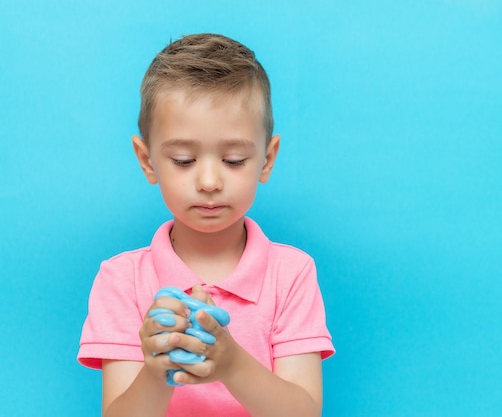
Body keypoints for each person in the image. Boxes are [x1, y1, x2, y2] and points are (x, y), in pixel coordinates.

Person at [77, 33, 334, 417]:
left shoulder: (292, 273)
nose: (210, 182)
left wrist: (231, 363)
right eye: (183, 160)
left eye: (233, 160)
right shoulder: (121, 279)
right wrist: (156, 367)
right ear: (147, 161)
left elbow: (304, 412)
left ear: (266, 159)